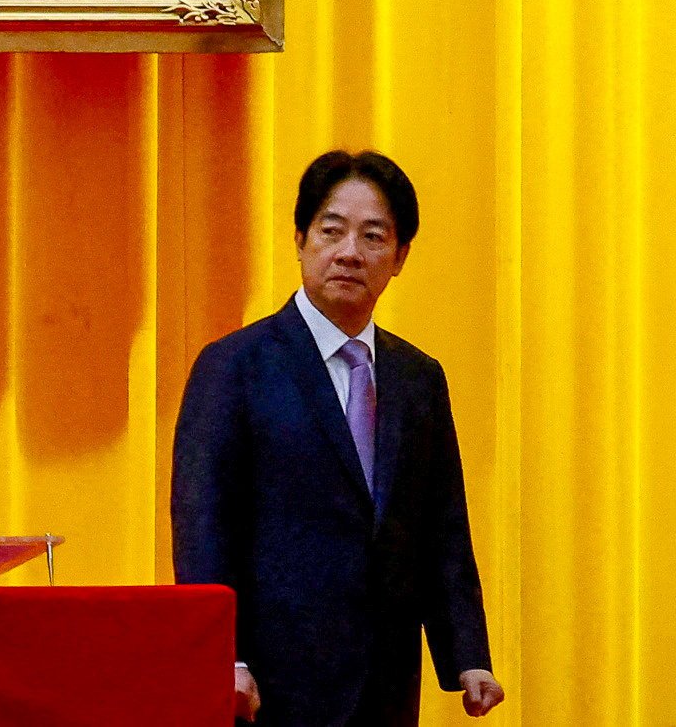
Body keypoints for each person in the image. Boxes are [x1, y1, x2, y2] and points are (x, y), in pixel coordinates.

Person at [172, 152, 502, 725]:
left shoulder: (419, 378)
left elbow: (442, 526)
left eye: (373, 236)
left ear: (399, 257)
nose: (350, 252)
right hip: (270, 686)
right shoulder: (234, 366)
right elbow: (204, 523)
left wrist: (467, 655)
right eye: (332, 230)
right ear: (300, 239)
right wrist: (223, 658)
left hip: (386, 682)